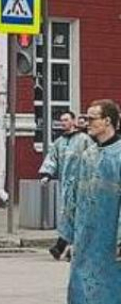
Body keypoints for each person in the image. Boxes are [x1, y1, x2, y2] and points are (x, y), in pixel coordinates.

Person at [54, 99, 121, 304]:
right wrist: (67, 236)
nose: (86, 122)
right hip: (85, 238)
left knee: (111, 294)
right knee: (79, 290)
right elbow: (72, 195)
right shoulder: (88, 154)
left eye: (92, 118)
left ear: (108, 121)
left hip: (109, 241)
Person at [39, 110, 92, 260]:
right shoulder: (59, 143)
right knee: (67, 215)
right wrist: (46, 175)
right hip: (66, 186)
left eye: (67, 120)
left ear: (74, 121)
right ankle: (65, 246)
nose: (64, 123)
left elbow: (93, 157)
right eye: (62, 120)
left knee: (78, 216)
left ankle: (63, 246)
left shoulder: (84, 140)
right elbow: (52, 159)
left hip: (82, 184)